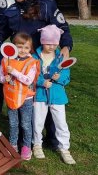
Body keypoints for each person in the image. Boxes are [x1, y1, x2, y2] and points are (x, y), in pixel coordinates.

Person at [3, 0, 74, 148]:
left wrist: (66, 47)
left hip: (44, 60)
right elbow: (0, 34)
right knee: (26, 100)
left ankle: (52, 137)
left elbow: (63, 28)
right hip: (23, 64)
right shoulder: (11, 11)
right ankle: (24, 137)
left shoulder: (47, 5)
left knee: (47, 97)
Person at [32, 25, 76, 164]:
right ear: (42, 41)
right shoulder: (34, 57)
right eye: (47, 43)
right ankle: (37, 145)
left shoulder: (61, 57)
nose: (51, 46)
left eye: (54, 43)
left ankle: (64, 148)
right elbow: (32, 74)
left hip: (57, 95)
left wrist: (59, 78)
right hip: (40, 95)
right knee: (37, 121)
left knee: (61, 123)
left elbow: (66, 77)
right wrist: (41, 82)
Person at [0, 33, 39, 160]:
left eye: (26, 48)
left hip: (26, 99)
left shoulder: (31, 62)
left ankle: (26, 147)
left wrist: (14, 72)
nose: (23, 50)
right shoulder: (6, 60)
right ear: (13, 46)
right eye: (19, 47)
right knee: (13, 124)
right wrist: (5, 78)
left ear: (30, 48)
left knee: (26, 124)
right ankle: (13, 145)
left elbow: (28, 80)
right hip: (11, 98)